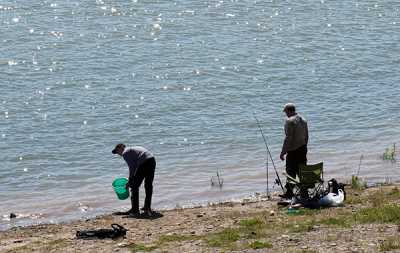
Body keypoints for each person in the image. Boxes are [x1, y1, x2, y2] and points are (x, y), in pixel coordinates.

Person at [112, 143, 156, 217]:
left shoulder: (125, 152)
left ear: (120, 148)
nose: (118, 154)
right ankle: (147, 207)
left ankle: (135, 210)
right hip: (152, 160)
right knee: (148, 185)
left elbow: (132, 168)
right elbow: (136, 165)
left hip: (144, 163)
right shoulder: (133, 149)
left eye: (117, 151)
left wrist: (130, 181)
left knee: (134, 187)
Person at [279, 103, 309, 199]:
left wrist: (283, 152)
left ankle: (289, 193)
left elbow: (288, 138)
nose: (286, 114)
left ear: (289, 110)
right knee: (302, 171)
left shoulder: (289, 121)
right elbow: (307, 136)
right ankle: (304, 192)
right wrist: (304, 147)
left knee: (290, 172)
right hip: (303, 149)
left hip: (293, 151)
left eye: (286, 112)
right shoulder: (303, 119)